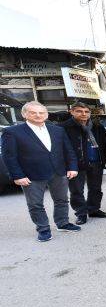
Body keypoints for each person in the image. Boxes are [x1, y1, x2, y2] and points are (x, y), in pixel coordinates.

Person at [1, 101, 80, 241]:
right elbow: (9, 157)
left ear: (46, 114)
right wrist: (17, 175)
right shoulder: (12, 132)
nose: (38, 115)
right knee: (35, 204)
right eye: (33, 112)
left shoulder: (57, 130)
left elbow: (68, 150)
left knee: (62, 200)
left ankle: (62, 223)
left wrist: (72, 167)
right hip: (31, 175)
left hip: (58, 171)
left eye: (41, 112)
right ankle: (43, 229)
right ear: (24, 114)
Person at [60, 102, 106, 225]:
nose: (84, 114)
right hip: (76, 165)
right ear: (72, 112)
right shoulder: (64, 127)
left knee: (96, 188)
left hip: (96, 162)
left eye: (86, 112)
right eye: (79, 111)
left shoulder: (97, 126)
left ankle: (94, 209)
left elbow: (103, 144)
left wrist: (103, 159)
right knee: (77, 190)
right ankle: (81, 213)